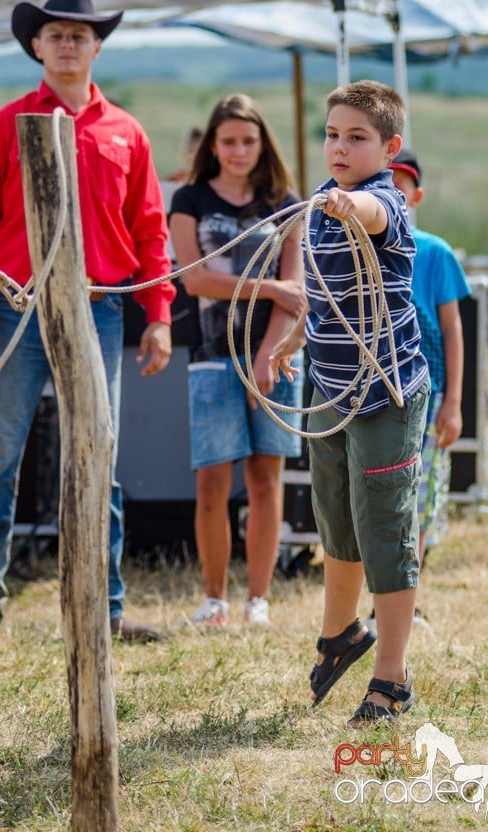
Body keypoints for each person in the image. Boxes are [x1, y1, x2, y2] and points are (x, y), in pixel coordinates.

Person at [0, 0, 175, 641]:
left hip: (97, 309)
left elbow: (151, 232)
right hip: (17, 308)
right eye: (56, 34)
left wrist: (157, 313)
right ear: (36, 46)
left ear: (97, 46)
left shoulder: (127, 132)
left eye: (80, 34)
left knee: (100, 455)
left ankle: (105, 608)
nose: (68, 43)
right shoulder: (3, 125)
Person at [270, 80, 430, 727]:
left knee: (384, 528)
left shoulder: (384, 202)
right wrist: (291, 335)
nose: (339, 145)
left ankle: (391, 679)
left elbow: (371, 215)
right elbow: (325, 291)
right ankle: (340, 635)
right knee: (334, 517)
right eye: (332, 134)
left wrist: (349, 202)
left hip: (385, 393)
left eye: (357, 137)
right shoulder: (318, 205)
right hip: (330, 385)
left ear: (388, 148)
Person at [169, 93, 307, 627]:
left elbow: (295, 293)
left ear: (261, 143)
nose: (238, 150)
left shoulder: (285, 201)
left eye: (248, 140)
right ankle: (214, 598)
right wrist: (269, 286)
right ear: (213, 144)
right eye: (228, 141)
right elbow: (195, 278)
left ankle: (258, 599)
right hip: (210, 353)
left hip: (272, 357)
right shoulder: (190, 199)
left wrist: (268, 356)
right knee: (211, 481)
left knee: (266, 477)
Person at [390, 149, 470, 567]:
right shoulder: (351, 252)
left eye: (398, 189)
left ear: (416, 196)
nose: (390, 197)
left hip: (429, 390)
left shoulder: (435, 253)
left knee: (419, 491)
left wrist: (453, 402)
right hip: (374, 395)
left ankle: (408, 590)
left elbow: (453, 329)